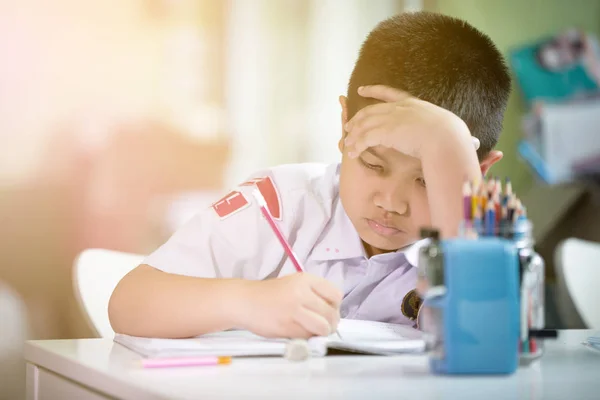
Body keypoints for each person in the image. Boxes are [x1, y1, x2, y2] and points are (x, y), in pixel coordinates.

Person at [108, 11, 511, 339]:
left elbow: (489, 345)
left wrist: (451, 150)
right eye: (373, 164)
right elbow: (129, 304)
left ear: (477, 174)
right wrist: (248, 301)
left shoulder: (480, 241)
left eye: (426, 179)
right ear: (344, 127)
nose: (391, 201)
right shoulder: (281, 203)